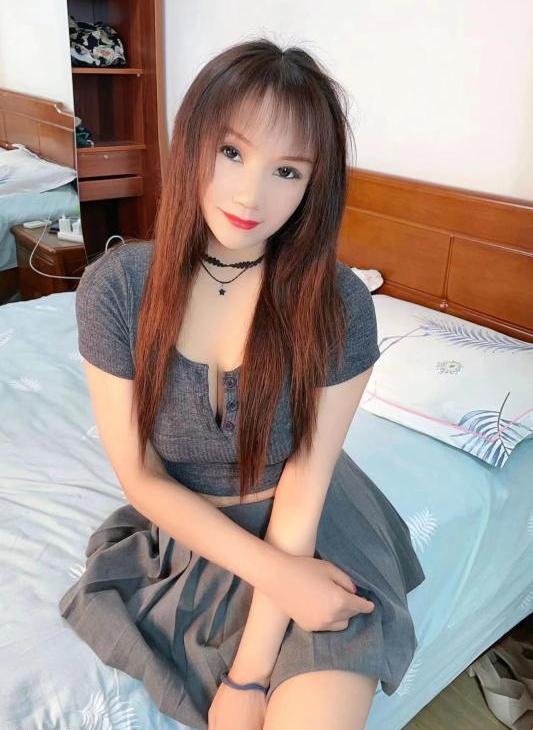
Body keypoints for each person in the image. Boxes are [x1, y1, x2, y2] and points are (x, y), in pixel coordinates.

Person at [58, 36, 426, 730]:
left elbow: (304, 490)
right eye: (232, 152)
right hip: (196, 537)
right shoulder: (117, 289)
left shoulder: (339, 303)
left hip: (313, 534)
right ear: (193, 142)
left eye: (287, 171)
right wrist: (276, 577)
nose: (251, 194)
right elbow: (140, 476)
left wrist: (249, 676)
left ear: (313, 185)